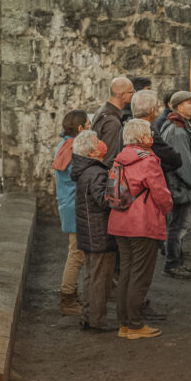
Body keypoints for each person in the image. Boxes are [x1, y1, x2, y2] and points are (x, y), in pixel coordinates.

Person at [107, 118, 173, 340]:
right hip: (142, 223)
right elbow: (161, 194)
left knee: (126, 272)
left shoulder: (119, 160)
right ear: (144, 137)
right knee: (140, 275)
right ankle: (135, 325)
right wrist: (166, 209)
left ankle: (124, 324)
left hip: (119, 221)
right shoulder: (148, 160)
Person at [70, 129, 116, 332]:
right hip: (99, 232)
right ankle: (97, 319)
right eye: (97, 141)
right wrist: (115, 183)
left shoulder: (84, 171)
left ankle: (88, 316)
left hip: (87, 230)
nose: (101, 143)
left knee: (90, 276)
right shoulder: (97, 172)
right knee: (100, 278)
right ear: (91, 151)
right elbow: (104, 200)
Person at [160, 91, 191, 280]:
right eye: (189, 102)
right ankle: (172, 264)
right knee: (177, 227)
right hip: (180, 187)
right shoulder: (177, 130)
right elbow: (183, 162)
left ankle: (177, 261)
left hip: (179, 186)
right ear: (178, 107)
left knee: (177, 226)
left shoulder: (179, 125)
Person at [53, 110, 89, 316]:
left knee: (76, 252)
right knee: (76, 254)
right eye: (88, 124)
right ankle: (67, 297)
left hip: (68, 204)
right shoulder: (73, 149)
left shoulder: (64, 145)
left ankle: (70, 295)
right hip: (75, 205)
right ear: (80, 128)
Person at [129, 89, 182, 172]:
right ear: (152, 110)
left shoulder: (125, 128)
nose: (158, 109)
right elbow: (174, 159)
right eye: (157, 106)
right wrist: (158, 168)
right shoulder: (147, 130)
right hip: (147, 181)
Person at [92, 76, 135, 166]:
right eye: (131, 92)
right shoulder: (112, 122)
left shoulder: (102, 111)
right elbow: (109, 158)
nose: (134, 94)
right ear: (121, 95)